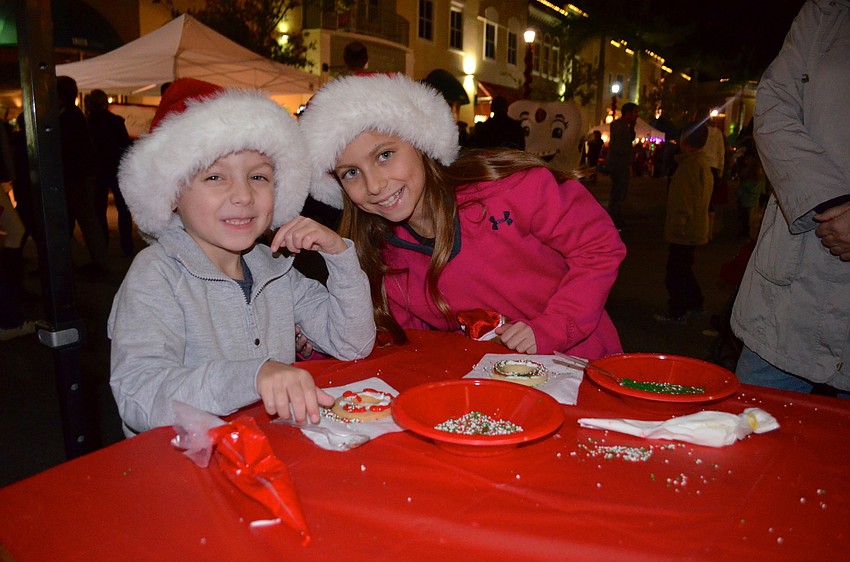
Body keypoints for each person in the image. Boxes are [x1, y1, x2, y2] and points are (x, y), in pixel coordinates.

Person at [108, 78, 376, 436]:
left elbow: (352, 343)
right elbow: (138, 394)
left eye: (259, 177)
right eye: (215, 176)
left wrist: (339, 255)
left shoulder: (275, 268)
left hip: (268, 454)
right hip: (187, 468)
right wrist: (253, 376)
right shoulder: (156, 274)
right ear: (171, 193)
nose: (244, 196)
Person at [297, 74, 626, 358]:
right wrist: (320, 344)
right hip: (492, 392)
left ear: (421, 142)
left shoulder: (509, 189)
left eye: (385, 155)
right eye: (351, 172)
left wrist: (552, 327)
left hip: (580, 365)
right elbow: (399, 342)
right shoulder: (385, 257)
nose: (374, 184)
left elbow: (598, 248)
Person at [731, 0, 850, 396]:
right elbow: (774, 106)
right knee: (753, 437)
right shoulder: (826, 11)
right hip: (795, 284)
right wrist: (831, 203)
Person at [654, 122, 713, 324]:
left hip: (685, 230)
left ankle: (677, 310)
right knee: (685, 269)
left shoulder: (688, 166)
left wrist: (678, 224)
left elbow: (684, 199)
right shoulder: (701, 163)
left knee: (676, 272)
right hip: (695, 227)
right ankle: (695, 302)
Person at [57, 75, 109, 276]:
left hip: (76, 176)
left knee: (86, 219)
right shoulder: (74, 115)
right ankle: (96, 261)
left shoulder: (69, 116)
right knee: (87, 219)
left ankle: (97, 262)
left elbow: (69, 149)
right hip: (81, 174)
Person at [86, 89, 134, 256]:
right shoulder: (115, 121)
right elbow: (126, 146)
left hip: (99, 170)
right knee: (123, 208)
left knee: (99, 210)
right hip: (116, 168)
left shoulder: (89, 124)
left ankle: (102, 246)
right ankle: (127, 246)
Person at [606, 102, 639, 228]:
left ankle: (615, 216)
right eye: (635, 113)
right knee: (618, 191)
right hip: (619, 164)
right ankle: (614, 218)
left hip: (619, 164)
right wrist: (633, 151)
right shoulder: (620, 126)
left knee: (618, 191)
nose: (637, 116)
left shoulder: (624, 126)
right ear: (629, 113)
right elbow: (620, 147)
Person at [700, 107, 726, 240]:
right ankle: (709, 232)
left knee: (701, 199)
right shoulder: (718, 134)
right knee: (711, 201)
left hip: (702, 165)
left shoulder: (701, 132)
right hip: (713, 168)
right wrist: (721, 172)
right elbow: (721, 153)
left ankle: (702, 230)